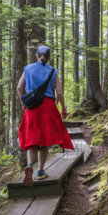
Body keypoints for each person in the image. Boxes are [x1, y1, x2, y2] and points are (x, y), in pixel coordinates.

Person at [17, 45, 74, 186]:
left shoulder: (28, 69)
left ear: (36, 56)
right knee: (44, 141)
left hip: (31, 108)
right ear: (49, 58)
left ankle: (30, 164)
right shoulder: (53, 71)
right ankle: (40, 171)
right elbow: (59, 93)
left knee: (32, 141)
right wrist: (63, 109)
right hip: (47, 108)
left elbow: (19, 88)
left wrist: (23, 102)